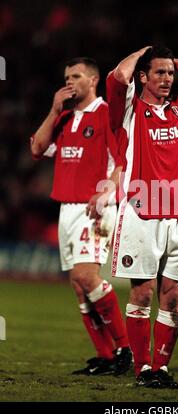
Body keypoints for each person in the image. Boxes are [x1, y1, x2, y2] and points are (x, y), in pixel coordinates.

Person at [106, 46, 178, 387]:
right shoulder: (129, 109)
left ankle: (161, 369)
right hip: (142, 213)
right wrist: (141, 52)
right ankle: (142, 369)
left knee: (172, 296)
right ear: (143, 76)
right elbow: (118, 76)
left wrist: (177, 63)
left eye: (170, 74)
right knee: (142, 294)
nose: (167, 79)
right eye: (159, 73)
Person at [30, 57, 131, 376]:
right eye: (65, 77)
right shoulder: (64, 117)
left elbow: (121, 163)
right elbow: (37, 148)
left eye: (75, 76)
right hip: (67, 208)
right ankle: (104, 355)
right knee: (77, 284)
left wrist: (105, 193)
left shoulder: (106, 115)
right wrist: (54, 110)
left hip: (95, 208)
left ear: (93, 80)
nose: (69, 82)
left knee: (88, 277)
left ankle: (124, 350)